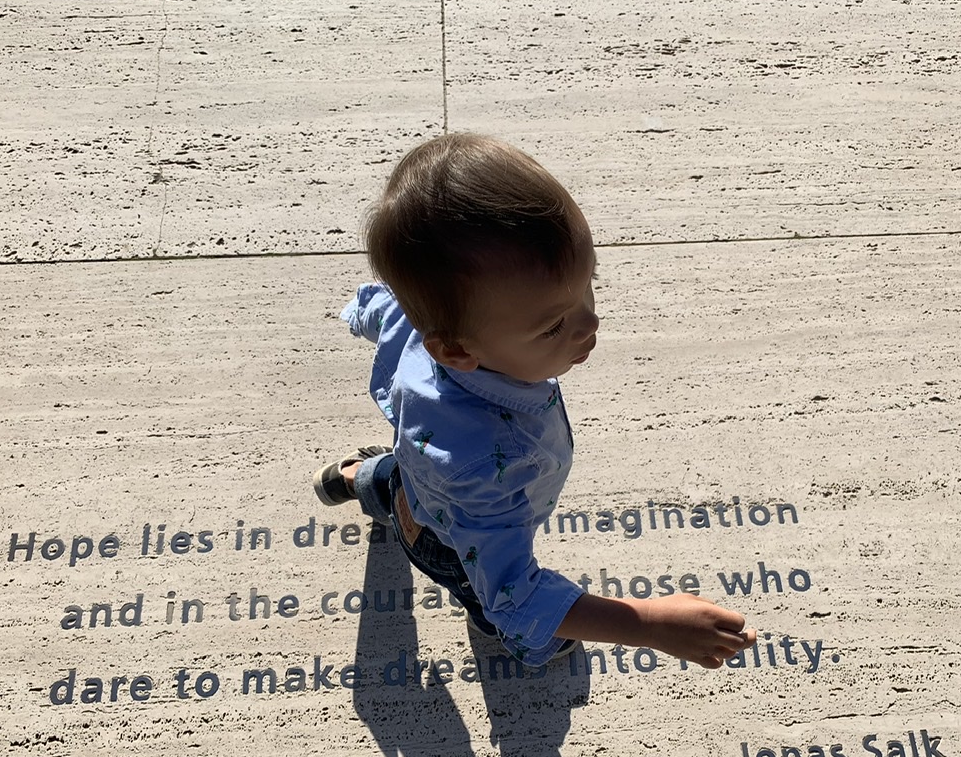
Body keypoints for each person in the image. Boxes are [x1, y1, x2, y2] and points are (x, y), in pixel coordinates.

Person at [316, 133, 756, 668]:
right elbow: (513, 593)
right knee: (487, 598)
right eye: (552, 327)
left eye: (588, 283)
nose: (590, 323)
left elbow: (380, 309)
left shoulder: (422, 315)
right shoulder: (487, 468)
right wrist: (647, 623)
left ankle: (352, 478)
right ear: (456, 349)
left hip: (428, 471)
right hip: (454, 539)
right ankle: (522, 640)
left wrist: (360, 315)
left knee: (401, 482)